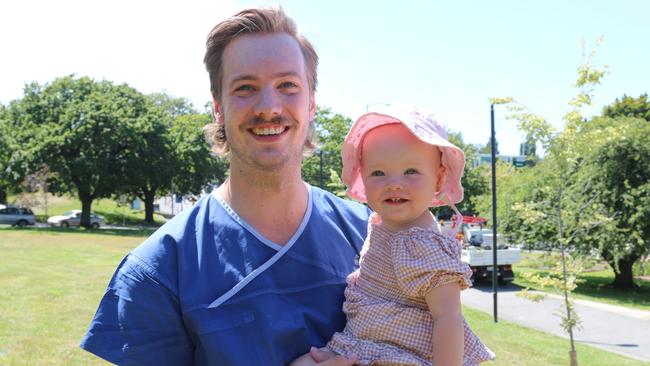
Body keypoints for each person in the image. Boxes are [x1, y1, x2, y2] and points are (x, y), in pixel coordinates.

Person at [80, 7, 368, 365]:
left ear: (310, 103)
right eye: (245, 88)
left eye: (287, 86)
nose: (269, 106)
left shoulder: (371, 234)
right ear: (219, 108)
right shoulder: (159, 272)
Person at [292, 106, 495, 366]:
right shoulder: (379, 222)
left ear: (439, 178)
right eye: (378, 173)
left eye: (411, 171)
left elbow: (448, 318)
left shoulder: (424, 243)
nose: (394, 183)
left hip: (404, 354)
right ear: (363, 178)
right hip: (360, 343)